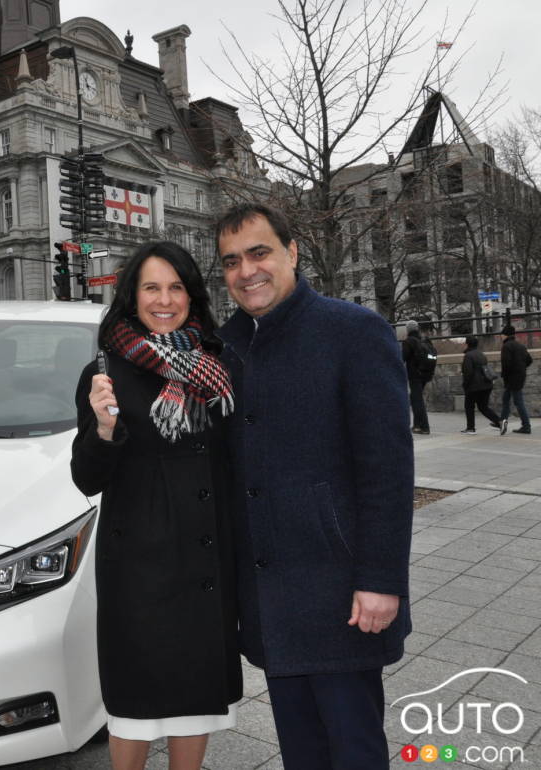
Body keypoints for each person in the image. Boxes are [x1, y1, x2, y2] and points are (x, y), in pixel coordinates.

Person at [214, 203, 413, 770]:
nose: (247, 270)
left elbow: (388, 469)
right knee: (302, 753)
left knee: (353, 750)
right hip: (270, 596)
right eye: (231, 261)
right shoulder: (225, 346)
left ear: (292, 253)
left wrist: (380, 579)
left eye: (259, 253)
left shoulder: (353, 331)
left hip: (340, 592)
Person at [70, 241, 241, 770]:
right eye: (151, 288)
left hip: (205, 557)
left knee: (196, 704)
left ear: (191, 296)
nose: (164, 300)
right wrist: (102, 428)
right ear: (132, 296)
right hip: (139, 567)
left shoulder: (219, 365)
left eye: (176, 287)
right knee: (136, 707)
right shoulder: (105, 372)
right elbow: (86, 479)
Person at [460, 336, 502, 435]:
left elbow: (468, 373)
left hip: (474, 386)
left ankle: (471, 428)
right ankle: (499, 421)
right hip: (486, 385)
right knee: (483, 407)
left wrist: (465, 385)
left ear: (467, 344)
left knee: (469, 406)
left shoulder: (468, 356)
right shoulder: (481, 354)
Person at [401, 320, 434, 434]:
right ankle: (417, 426)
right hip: (426, 374)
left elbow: (402, 358)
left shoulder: (409, 341)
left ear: (408, 330)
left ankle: (425, 427)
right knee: (416, 399)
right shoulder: (423, 340)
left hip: (415, 375)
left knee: (417, 400)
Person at [499, 324, 533, 435]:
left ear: (505, 335)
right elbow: (529, 360)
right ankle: (502, 421)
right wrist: (521, 368)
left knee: (518, 402)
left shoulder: (507, 346)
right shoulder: (520, 346)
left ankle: (526, 426)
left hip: (512, 378)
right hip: (519, 376)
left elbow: (506, 364)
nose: (501, 336)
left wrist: (504, 376)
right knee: (506, 399)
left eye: (502, 334)